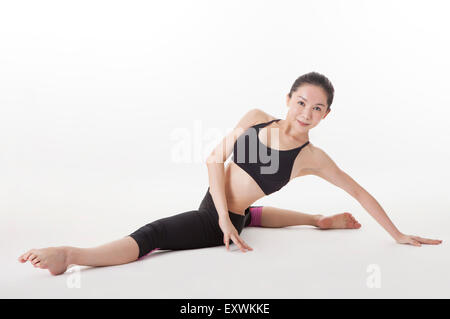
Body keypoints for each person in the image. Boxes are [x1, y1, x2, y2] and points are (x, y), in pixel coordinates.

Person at [18, 71, 442, 276]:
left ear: (326, 114)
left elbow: (361, 193)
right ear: (288, 99)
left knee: (153, 235)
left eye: (317, 108)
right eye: (301, 102)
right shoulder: (256, 118)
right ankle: (317, 221)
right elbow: (212, 161)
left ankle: (71, 255)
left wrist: (398, 233)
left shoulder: (313, 158)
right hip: (221, 211)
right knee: (248, 217)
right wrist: (225, 214)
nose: (306, 113)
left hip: (218, 218)